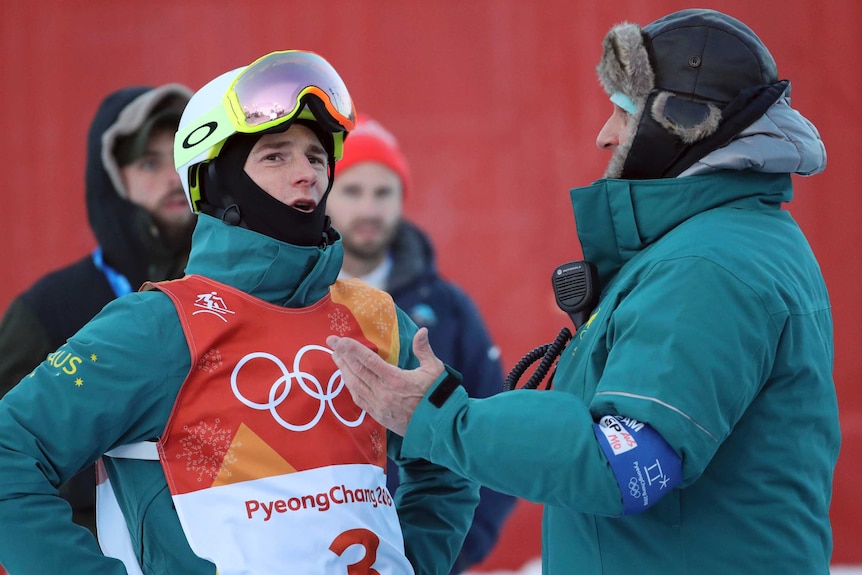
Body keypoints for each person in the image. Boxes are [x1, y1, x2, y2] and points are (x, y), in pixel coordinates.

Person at [326, 9, 839, 575]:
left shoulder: (708, 267)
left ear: (680, 123)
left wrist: (440, 417)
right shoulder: (721, 243)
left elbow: (628, 464)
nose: (605, 134)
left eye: (623, 111)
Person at [0, 50, 477, 575]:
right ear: (216, 180)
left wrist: (412, 565)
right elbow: (10, 454)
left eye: (317, 157)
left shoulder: (375, 316)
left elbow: (451, 457)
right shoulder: (159, 325)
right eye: (276, 156)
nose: (307, 176)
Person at [0, 82, 194, 536]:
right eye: (150, 162)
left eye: (184, 158)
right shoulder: (48, 309)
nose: (173, 178)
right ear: (112, 180)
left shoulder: (238, 292)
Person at [326, 115, 516, 573]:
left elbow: (494, 431)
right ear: (325, 197)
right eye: (352, 190)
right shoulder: (294, 302)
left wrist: (455, 549)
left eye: (383, 192)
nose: (369, 208)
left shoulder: (447, 308)